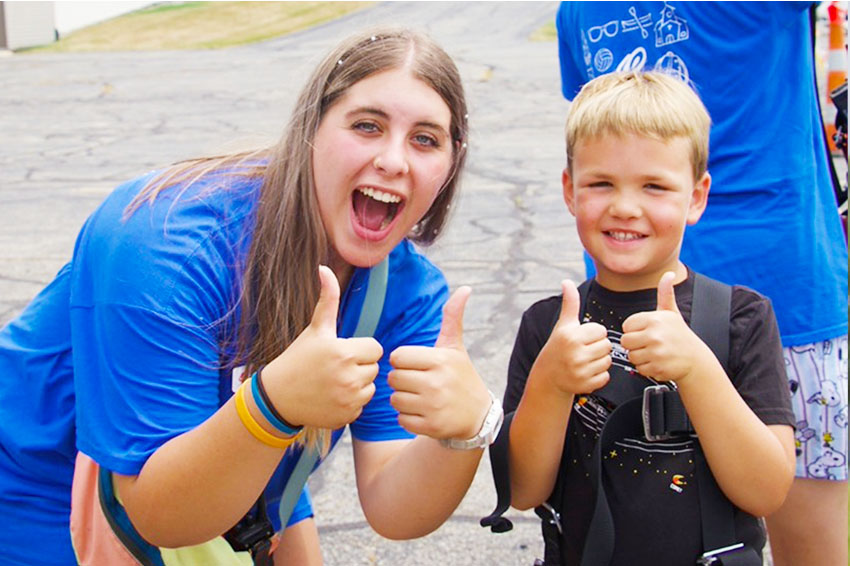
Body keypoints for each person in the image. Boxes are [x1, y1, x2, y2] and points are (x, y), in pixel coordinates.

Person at [0, 28, 502, 566]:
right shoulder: (162, 243)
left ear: (451, 165)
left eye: (426, 139)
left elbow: (390, 506)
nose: (394, 160)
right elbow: (161, 513)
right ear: (311, 129)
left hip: (231, 480)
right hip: (37, 490)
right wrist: (275, 404)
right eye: (366, 126)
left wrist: (467, 433)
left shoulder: (404, 290)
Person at [554, 3, 849, 565]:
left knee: (809, 540)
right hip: (633, 320)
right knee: (636, 530)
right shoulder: (579, 12)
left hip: (786, 305)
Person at [501, 71, 795, 565]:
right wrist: (551, 384)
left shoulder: (740, 319)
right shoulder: (547, 326)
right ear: (570, 190)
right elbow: (523, 491)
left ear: (696, 197)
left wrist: (698, 369)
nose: (625, 206)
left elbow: (766, 491)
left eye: (654, 186)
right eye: (601, 183)